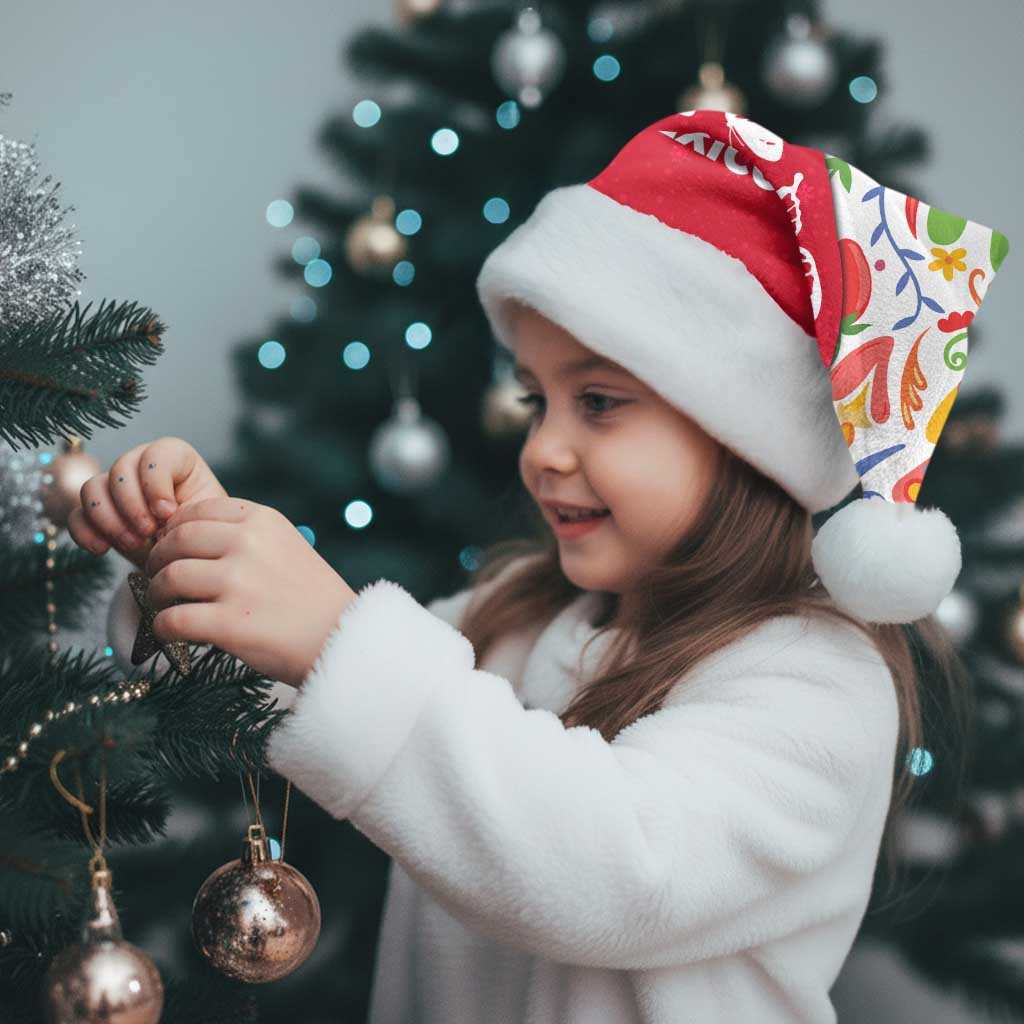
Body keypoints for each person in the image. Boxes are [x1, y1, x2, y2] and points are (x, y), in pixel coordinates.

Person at [73, 109, 1010, 1023]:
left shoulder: (819, 683)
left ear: (747, 440)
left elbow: (616, 871)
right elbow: (307, 691)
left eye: (598, 402)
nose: (543, 450)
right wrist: (190, 566)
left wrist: (335, 636)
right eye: (535, 401)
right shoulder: (515, 616)